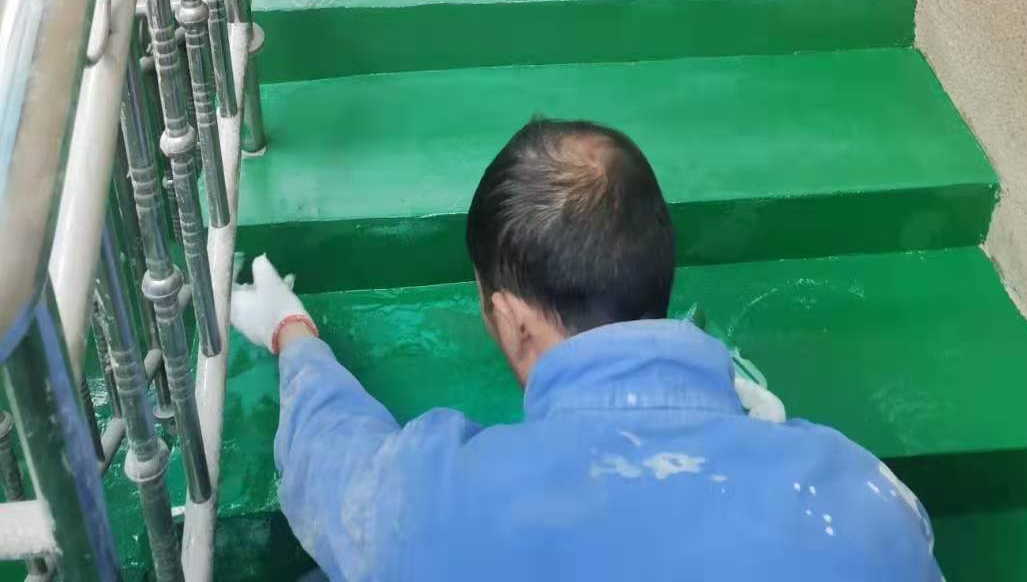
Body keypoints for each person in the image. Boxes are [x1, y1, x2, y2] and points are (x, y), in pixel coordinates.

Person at [232, 118, 944, 581]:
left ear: (512, 321)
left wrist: (291, 333)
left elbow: (335, 470)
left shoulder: (438, 503)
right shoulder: (869, 502)